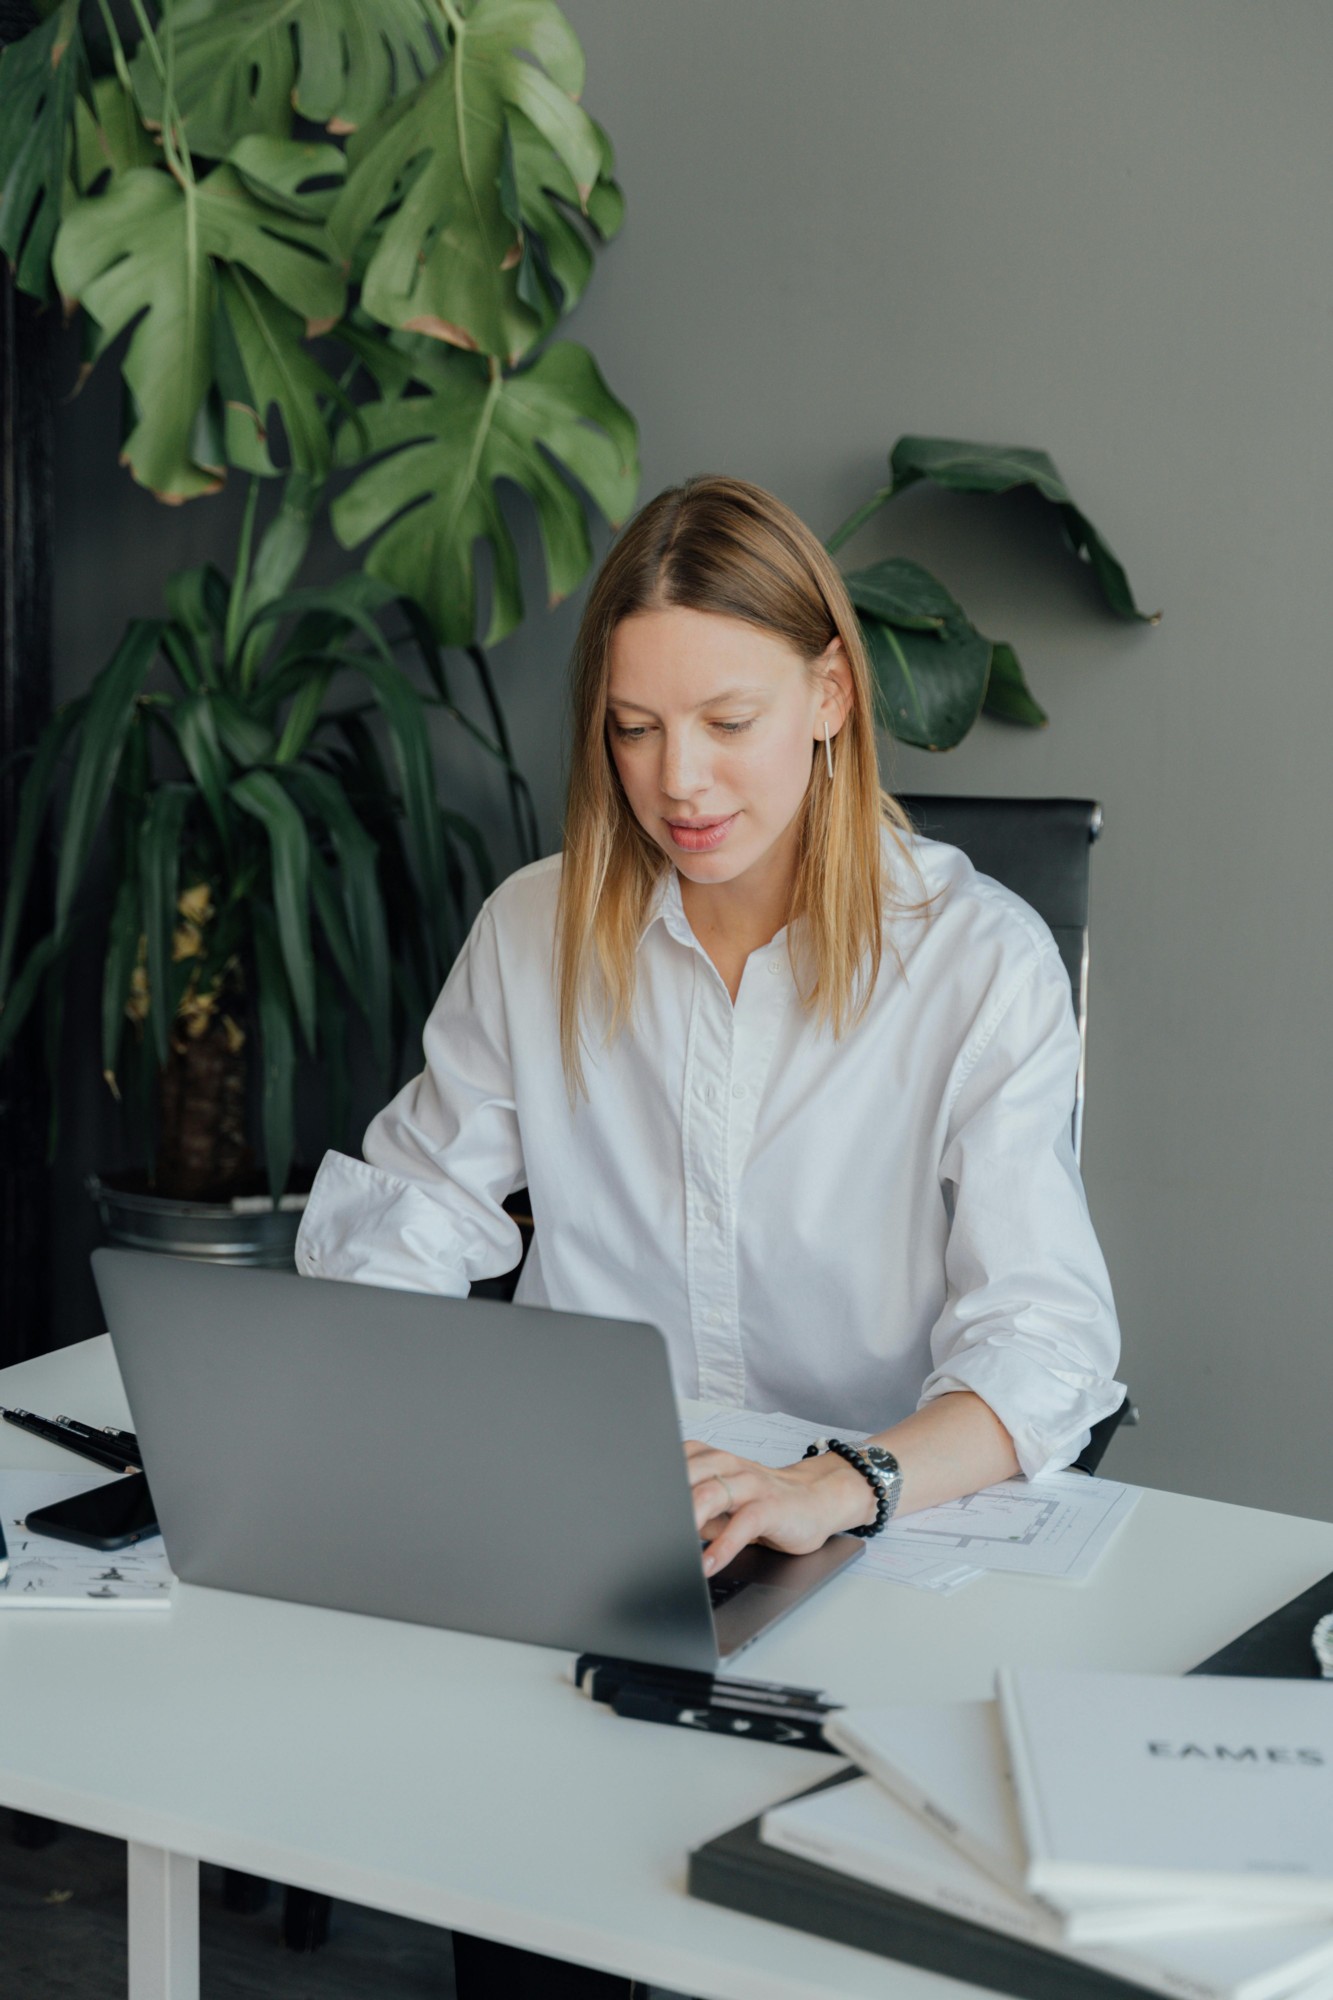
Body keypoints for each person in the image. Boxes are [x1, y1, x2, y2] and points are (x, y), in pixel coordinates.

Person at [296, 473, 1122, 2000]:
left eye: (726, 720)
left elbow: (1046, 1340)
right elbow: (410, 1218)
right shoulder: (537, 929)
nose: (678, 780)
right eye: (633, 726)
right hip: (582, 1543)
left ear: (825, 694)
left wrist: (842, 1478)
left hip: (856, 1552)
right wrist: (381, 1386)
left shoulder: (977, 964)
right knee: (537, 1923)